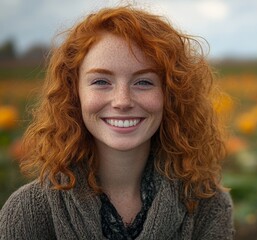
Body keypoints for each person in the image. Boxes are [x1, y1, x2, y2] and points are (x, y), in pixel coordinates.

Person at [0, 6, 234, 240]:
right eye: (101, 81)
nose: (122, 101)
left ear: (171, 94)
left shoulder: (209, 207)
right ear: (74, 93)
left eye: (143, 82)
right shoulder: (27, 213)